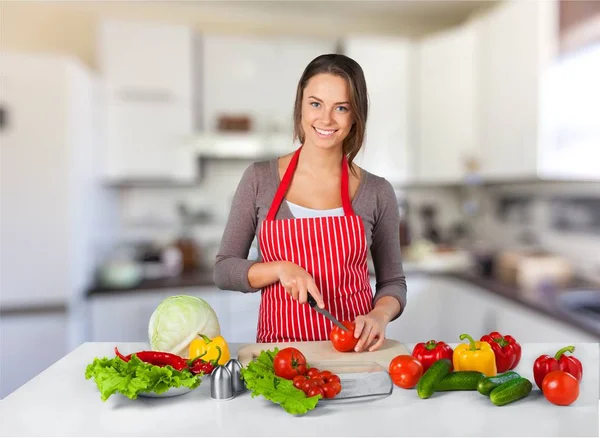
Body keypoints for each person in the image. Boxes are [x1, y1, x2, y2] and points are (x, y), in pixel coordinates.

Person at [214, 53, 407, 352]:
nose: (326, 119)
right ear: (300, 106)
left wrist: (380, 314)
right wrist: (278, 269)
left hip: (353, 354)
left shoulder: (378, 191)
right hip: (280, 358)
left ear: (355, 115)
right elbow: (224, 270)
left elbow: (393, 282)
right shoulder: (259, 179)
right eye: (315, 104)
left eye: (341, 108)